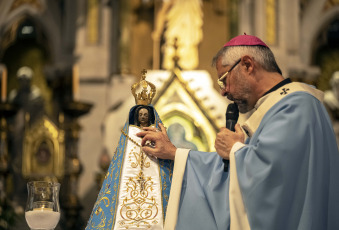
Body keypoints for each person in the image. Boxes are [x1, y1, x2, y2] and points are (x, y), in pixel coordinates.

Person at [137, 34, 339, 230]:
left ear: (248, 65)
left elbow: (272, 177)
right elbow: (253, 167)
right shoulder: (277, 108)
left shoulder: (296, 106)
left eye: (224, 79)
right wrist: (175, 154)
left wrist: (235, 149)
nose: (223, 91)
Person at [86, 74, 173, 230]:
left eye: (146, 115)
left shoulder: (157, 134)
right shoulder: (128, 134)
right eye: (141, 115)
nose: (143, 117)